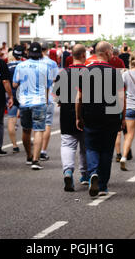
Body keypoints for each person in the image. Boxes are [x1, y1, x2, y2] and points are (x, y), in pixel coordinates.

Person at [76, 41, 125, 197]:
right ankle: (103, 185)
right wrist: (122, 118)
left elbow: (80, 97)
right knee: (106, 149)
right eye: (111, 51)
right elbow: (121, 97)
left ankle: (93, 173)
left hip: (91, 115)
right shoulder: (115, 73)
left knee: (91, 147)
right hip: (111, 116)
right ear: (107, 53)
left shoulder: (86, 71)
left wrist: (78, 117)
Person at [13, 42, 53, 170]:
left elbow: (14, 84)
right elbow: (48, 86)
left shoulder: (21, 65)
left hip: (24, 101)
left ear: (28, 53)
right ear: (40, 53)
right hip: (39, 101)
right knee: (39, 130)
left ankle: (29, 156)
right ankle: (36, 160)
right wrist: (46, 101)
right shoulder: (45, 67)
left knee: (26, 130)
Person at [54, 44, 88, 191]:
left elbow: (57, 96)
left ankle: (68, 171)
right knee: (85, 146)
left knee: (68, 144)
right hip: (86, 113)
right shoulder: (89, 72)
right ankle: (85, 175)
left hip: (67, 113)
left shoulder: (63, 73)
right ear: (83, 55)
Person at [40, 44, 60, 161]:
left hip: (34, 97)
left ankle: (35, 151)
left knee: (36, 124)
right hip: (48, 96)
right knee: (47, 124)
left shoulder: (31, 62)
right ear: (47, 50)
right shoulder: (51, 63)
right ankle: (43, 150)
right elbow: (55, 79)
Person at [6, 45, 25, 153]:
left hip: (11, 95)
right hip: (23, 95)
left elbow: (5, 82)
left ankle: (14, 145)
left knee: (11, 119)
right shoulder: (24, 65)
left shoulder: (7, 66)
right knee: (26, 119)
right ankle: (26, 139)